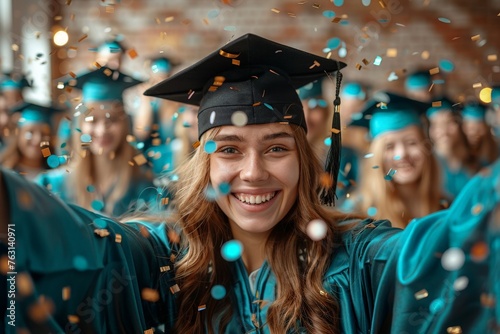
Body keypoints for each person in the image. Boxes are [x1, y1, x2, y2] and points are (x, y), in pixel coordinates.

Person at [1, 33, 499, 334]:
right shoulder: (159, 260)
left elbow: (445, 256)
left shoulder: (359, 259)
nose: (254, 172)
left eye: (277, 147)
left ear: (304, 161)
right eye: (230, 149)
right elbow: (75, 249)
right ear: (205, 164)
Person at [35, 66, 161, 217]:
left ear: (125, 126)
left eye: (112, 119)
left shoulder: (145, 189)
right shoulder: (52, 186)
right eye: (92, 120)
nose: (102, 130)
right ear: (80, 126)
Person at [341, 91, 444, 228]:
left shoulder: (446, 207)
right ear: (376, 156)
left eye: (411, 142)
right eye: (389, 146)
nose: (401, 154)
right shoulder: (357, 213)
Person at [427, 97, 480, 200]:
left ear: (460, 125)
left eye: (449, 123)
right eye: (435, 125)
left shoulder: (474, 159)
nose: (443, 131)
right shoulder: (427, 165)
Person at [0, 102, 64, 180]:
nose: (37, 140)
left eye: (44, 134)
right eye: (30, 133)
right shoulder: (5, 173)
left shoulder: (57, 176)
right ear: (19, 135)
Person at [461, 102, 499, 168]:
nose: (474, 133)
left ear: (486, 128)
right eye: (470, 128)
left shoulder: (496, 148)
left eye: (478, 128)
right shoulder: (457, 151)